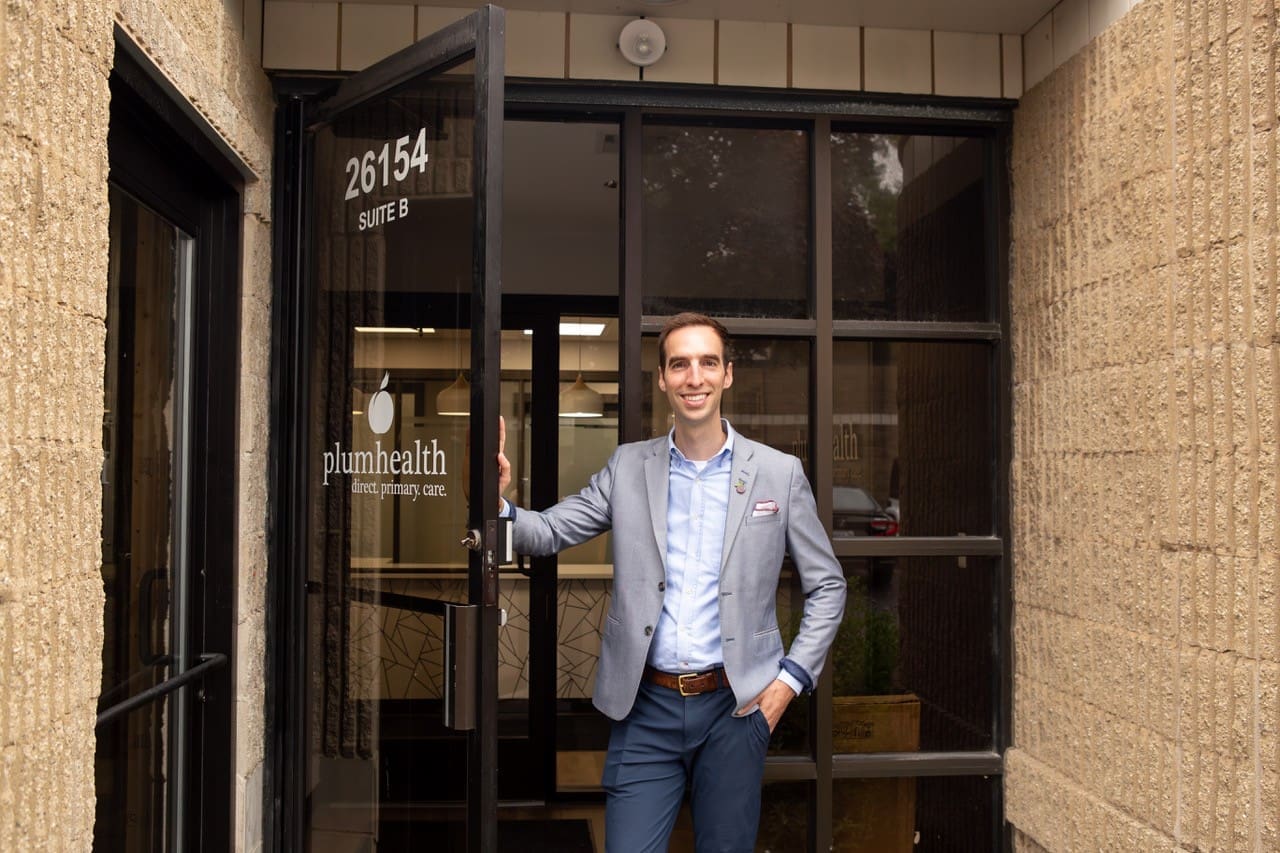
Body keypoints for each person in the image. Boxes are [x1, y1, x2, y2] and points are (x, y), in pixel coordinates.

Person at [497, 312, 846, 852]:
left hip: (737, 707)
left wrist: (787, 684)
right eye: (680, 364)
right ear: (661, 378)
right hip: (646, 708)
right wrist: (497, 504)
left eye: (708, 362)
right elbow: (548, 530)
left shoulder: (778, 473)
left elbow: (828, 586)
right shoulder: (628, 466)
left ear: (728, 374)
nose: (694, 377)